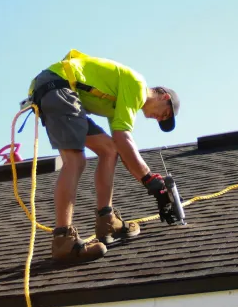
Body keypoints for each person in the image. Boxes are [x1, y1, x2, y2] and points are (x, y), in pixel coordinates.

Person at [27, 49, 180, 263]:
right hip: (58, 87)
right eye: (164, 113)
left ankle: (106, 220)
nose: (158, 118)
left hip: (60, 91)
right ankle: (63, 240)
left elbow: (119, 143)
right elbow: (124, 138)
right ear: (164, 96)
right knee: (75, 160)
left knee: (109, 150)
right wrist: (150, 180)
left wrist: (149, 180)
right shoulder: (137, 85)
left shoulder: (122, 101)